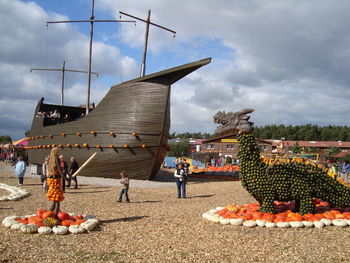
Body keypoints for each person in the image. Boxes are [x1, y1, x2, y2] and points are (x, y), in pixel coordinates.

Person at [47, 147, 65, 216]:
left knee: (54, 197)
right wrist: (66, 178)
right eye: (58, 151)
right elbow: (60, 171)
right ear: (56, 152)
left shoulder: (51, 160)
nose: (59, 152)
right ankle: (55, 213)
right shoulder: (56, 159)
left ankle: (51, 210)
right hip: (56, 181)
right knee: (57, 198)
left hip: (51, 180)